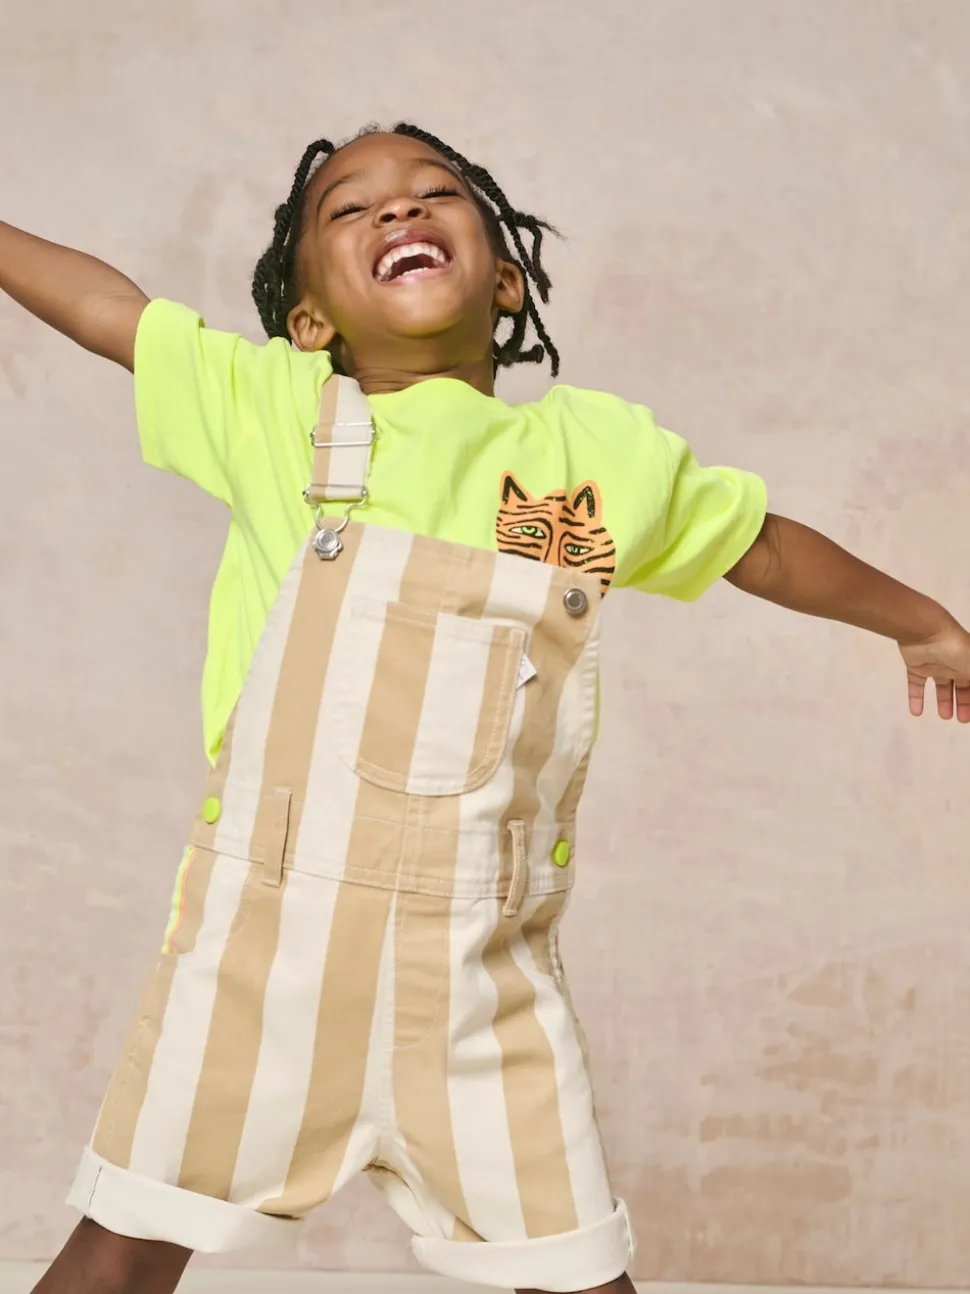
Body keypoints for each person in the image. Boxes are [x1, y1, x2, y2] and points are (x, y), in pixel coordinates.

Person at [2, 123, 968, 1294]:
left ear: (505, 280)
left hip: (480, 983)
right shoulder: (270, 409)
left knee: (575, 1270)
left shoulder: (595, 456)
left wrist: (919, 619)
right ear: (308, 320)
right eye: (350, 208)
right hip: (264, 965)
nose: (397, 210)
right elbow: (109, 310)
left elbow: (758, 548)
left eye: (433, 193)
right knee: (123, 1248)